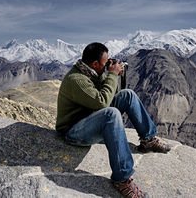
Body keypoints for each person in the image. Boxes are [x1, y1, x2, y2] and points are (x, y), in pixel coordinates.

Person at [56, 42, 170, 198]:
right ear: (95, 64)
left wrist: (113, 75)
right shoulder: (76, 79)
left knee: (127, 95)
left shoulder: (93, 72)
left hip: (90, 117)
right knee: (111, 114)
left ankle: (148, 139)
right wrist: (112, 75)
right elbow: (102, 102)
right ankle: (122, 180)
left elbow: (111, 94)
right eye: (104, 63)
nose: (106, 65)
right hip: (73, 130)